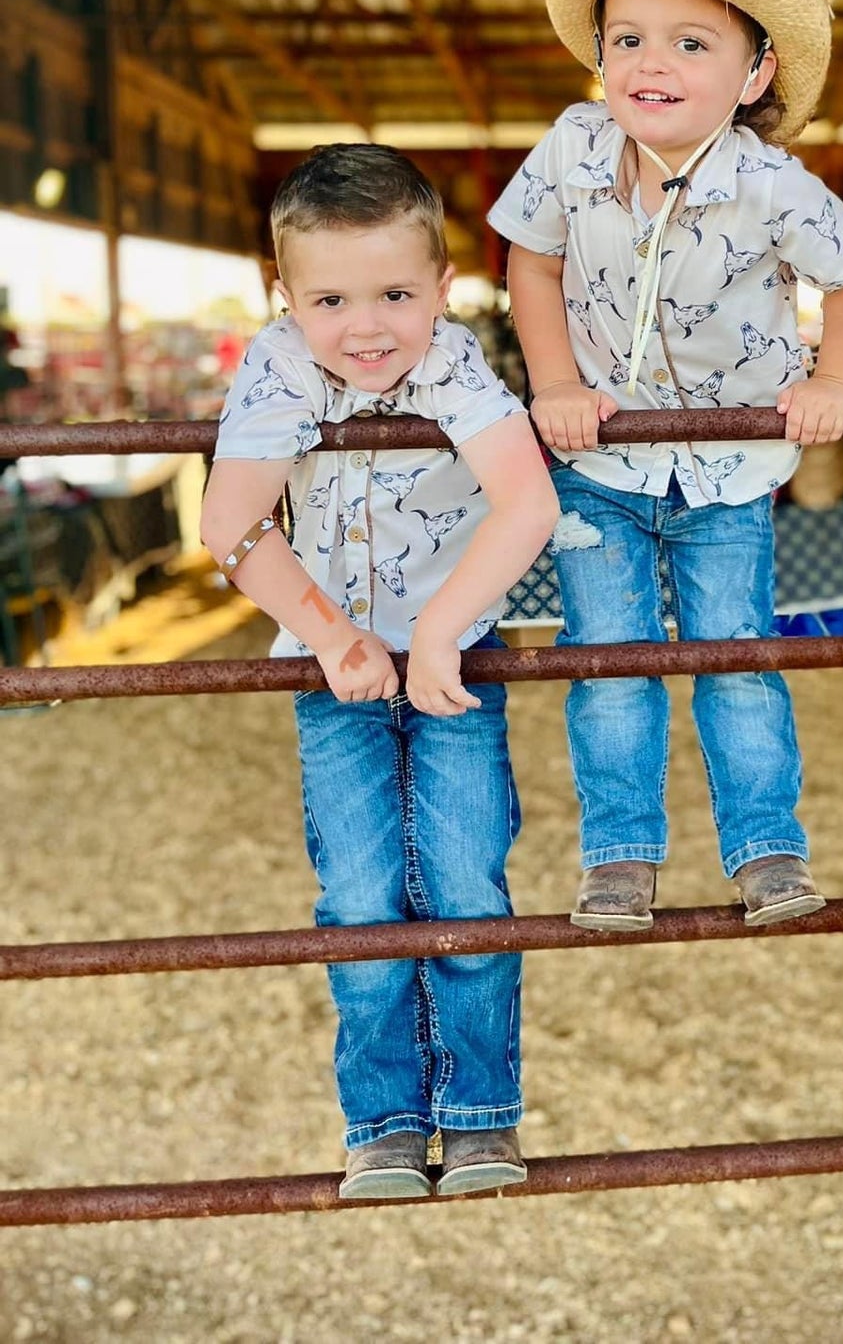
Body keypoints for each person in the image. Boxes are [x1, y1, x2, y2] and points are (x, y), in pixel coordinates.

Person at [490, 0, 843, 932]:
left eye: (691, 41)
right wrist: (555, 384)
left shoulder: (772, 183)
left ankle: (765, 849)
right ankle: (617, 857)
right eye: (627, 37)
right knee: (609, 666)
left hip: (726, 469)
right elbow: (528, 264)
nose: (650, 62)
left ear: (755, 72)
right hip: (599, 466)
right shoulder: (570, 150)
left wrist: (833, 381)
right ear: (598, 57)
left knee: (735, 656)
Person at [199, 145, 557, 1200]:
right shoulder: (275, 362)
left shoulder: (450, 359)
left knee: (464, 881)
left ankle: (482, 1117)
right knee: (357, 898)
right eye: (331, 298)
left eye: (396, 293)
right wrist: (326, 633)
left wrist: (442, 628)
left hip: (454, 662)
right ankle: (385, 1125)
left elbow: (525, 500)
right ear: (285, 296)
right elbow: (230, 520)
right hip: (329, 675)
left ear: (441, 289)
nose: (368, 326)